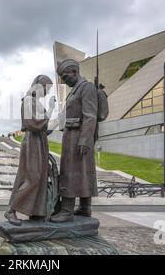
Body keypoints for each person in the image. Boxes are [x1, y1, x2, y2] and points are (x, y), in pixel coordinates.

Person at [50, 59, 98, 223]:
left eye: (65, 76)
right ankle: (85, 208)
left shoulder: (87, 87)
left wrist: (85, 139)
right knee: (81, 171)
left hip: (78, 136)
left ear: (74, 72)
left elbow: (90, 116)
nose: (64, 81)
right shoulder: (75, 90)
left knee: (72, 171)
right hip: (71, 135)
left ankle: (67, 210)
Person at [4, 75, 56, 226]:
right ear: (39, 86)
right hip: (32, 141)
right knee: (32, 177)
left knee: (40, 176)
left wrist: (58, 120)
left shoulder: (36, 103)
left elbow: (44, 129)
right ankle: (11, 210)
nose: (47, 92)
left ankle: (37, 212)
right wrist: (51, 109)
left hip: (40, 141)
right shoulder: (28, 100)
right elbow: (33, 124)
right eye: (46, 88)